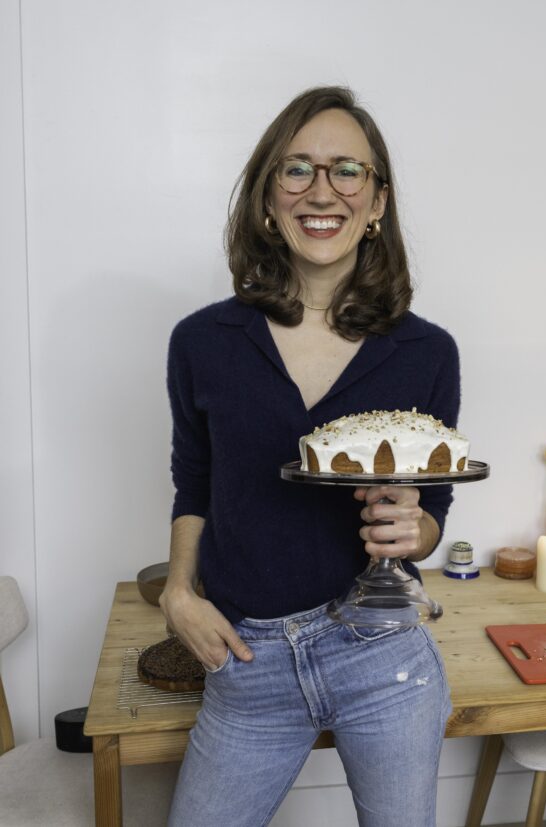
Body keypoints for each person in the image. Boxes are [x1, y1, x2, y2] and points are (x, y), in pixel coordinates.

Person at [160, 86, 459, 827]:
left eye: (346, 170)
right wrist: (177, 592)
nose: (322, 191)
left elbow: (432, 517)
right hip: (249, 661)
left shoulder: (427, 352)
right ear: (268, 197)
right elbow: (193, 480)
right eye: (297, 170)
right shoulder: (202, 342)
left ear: (377, 200)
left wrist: (411, 530)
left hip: (382, 654)